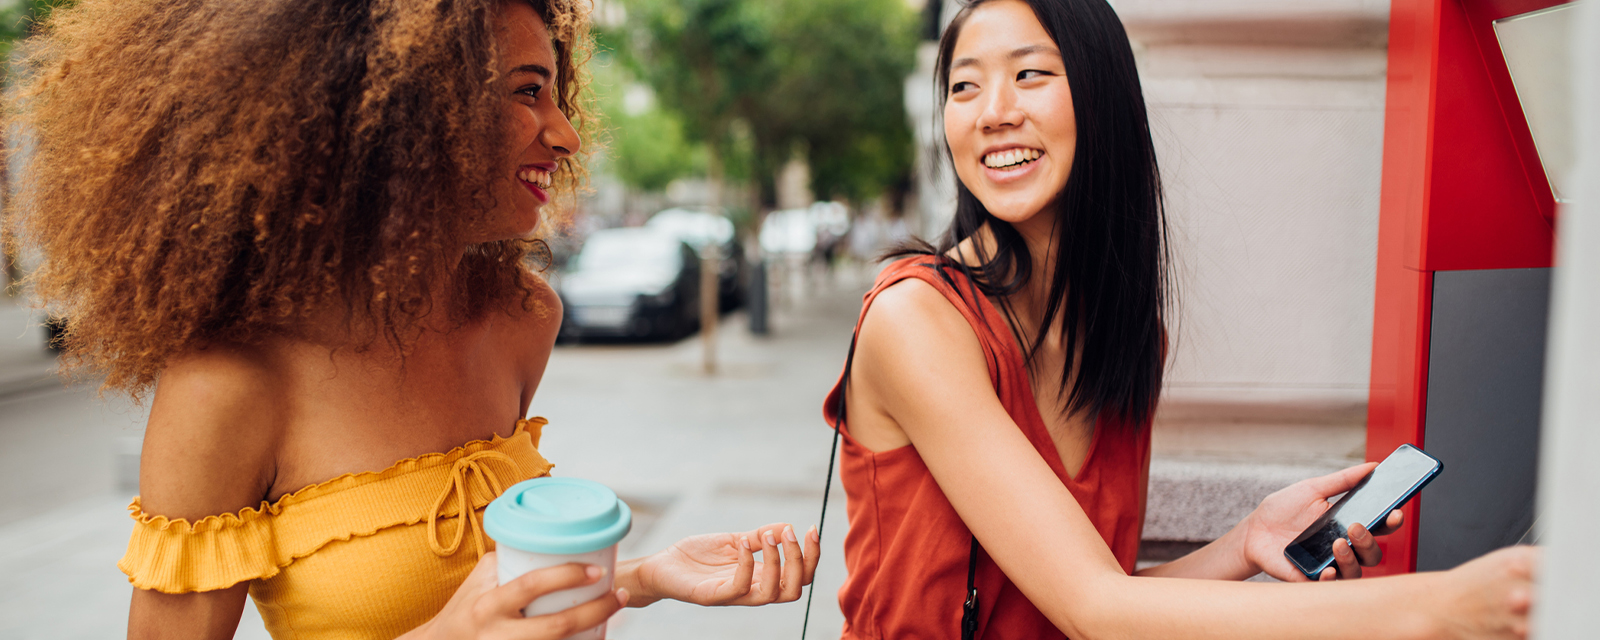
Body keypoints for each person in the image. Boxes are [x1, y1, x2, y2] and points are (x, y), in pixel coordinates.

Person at [8, 1, 818, 639]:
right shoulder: (229, 385)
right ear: (399, 113)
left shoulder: (520, 317)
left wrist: (643, 575)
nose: (567, 135)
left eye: (559, 95)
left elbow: (493, 584)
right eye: (527, 91)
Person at [823, 0, 1537, 638]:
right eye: (964, 86)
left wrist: (1247, 540)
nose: (991, 111)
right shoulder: (915, 319)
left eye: (1030, 75)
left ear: (1102, 99)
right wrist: (1438, 609)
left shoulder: (1125, 339)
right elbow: (1093, 609)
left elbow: (1077, 605)